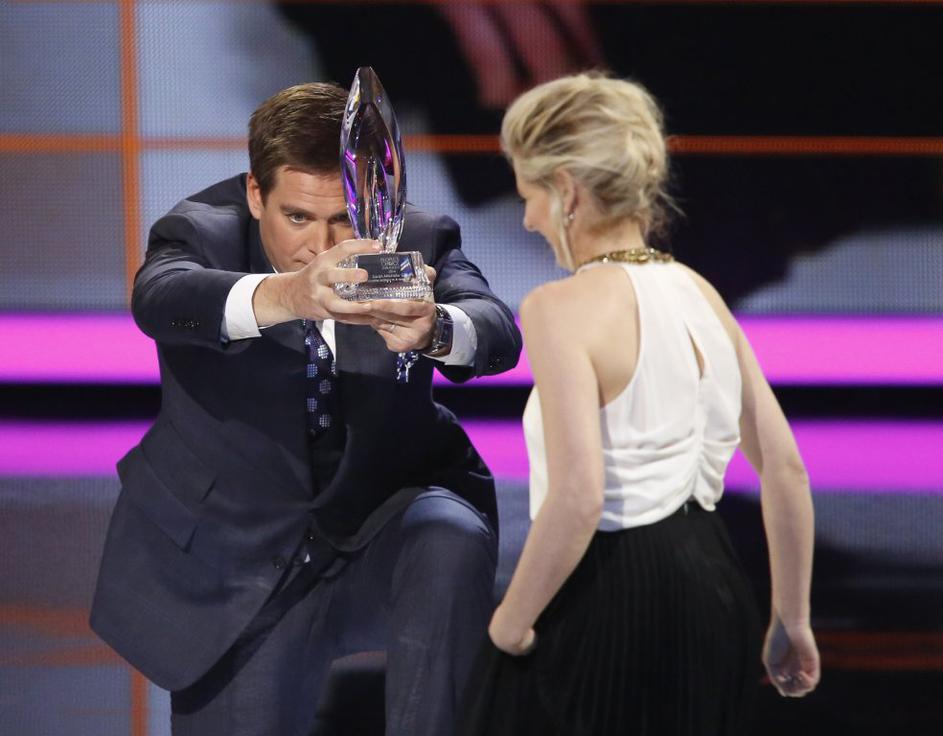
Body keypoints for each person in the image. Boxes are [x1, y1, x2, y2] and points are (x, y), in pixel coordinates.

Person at [89, 82, 522, 736]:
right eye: (297, 218)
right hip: (238, 553)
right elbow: (161, 299)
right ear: (255, 194)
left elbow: (494, 329)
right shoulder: (200, 231)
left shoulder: (410, 237)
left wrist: (435, 328)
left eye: (342, 219)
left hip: (380, 526)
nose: (321, 245)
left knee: (448, 533)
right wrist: (291, 294)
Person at [460, 73, 820, 735]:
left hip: (611, 596)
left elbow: (578, 498)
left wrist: (508, 625)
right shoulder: (698, 292)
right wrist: (791, 619)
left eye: (529, 196)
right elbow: (786, 470)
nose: (528, 219)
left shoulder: (556, 308)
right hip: (717, 592)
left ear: (566, 189)